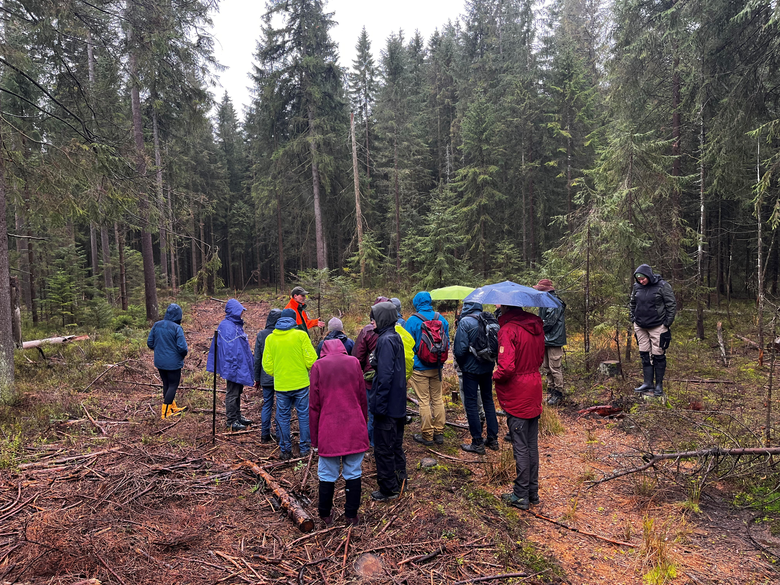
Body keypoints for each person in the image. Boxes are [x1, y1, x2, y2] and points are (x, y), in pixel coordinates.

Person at [310, 339, 369, 526]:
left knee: (327, 473)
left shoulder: (318, 366)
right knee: (353, 472)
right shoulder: (354, 362)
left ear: (323, 350)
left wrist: (314, 439)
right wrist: (363, 423)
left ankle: (325, 514)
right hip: (353, 425)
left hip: (329, 428)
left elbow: (314, 405)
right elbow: (362, 397)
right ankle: (351, 515)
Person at [493, 305, 545, 510]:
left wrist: (494, 375)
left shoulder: (508, 330)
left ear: (505, 307)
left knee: (521, 445)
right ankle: (532, 492)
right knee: (531, 444)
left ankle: (521, 494)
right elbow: (540, 359)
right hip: (533, 386)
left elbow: (506, 368)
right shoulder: (536, 326)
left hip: (518, 391)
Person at [262, 308, 318, 459]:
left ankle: (285, 450)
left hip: (281, 385)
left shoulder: (270, 339)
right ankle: (305, 448)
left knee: (283, 417)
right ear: (295, 321)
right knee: (304, 415)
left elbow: (266, 365)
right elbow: (312, 359)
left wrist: (279, 373)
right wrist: (303, 369)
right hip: (301, 383)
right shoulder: (301, 335)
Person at [370, 301, 408, 501]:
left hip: (388, 405)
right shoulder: (394, 337)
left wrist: (379, 406)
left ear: (382, 319)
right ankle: (401, 481)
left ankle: (389, 488)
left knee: (384, 448)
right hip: (398, 403)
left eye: (374, 318)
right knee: (395, 445)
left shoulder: (386, 340)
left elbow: (385, 376)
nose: (372, 322)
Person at [405, 291, 450, 446]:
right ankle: (439, 432)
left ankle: (427, 435)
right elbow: (447, 343)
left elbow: (408, 346)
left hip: (419, 368)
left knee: (424, 401)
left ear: (416, 303)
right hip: (437, 366)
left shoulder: (412, 321)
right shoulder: (441, 319)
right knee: (437, 399)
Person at [453, 301, 499, 454]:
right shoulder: (489, 319)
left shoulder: (465, 322)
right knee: (488, 400)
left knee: (471, 403)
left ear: (467, 307)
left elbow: (459, 350)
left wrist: (463, 364)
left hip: (470, 370)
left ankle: (477, 442)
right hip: (488, 367)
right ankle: (493, 439)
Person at [207, 299, 255, 431]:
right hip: (233, 366)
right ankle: (231, 420)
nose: (242, 314)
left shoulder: (235, 325)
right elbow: (229, 350)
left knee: (238, 391)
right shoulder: (227, 326)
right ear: (234, 311)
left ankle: (237, 416)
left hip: (238, 364)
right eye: (240, 311)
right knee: (232, 392)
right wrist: (236, 366)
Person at [629, 264, 676, 398]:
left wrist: (667, 323)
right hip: (640, 326)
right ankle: (647, 383)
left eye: (643, 278)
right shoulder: (637, 287)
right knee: (644, 354)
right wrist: (633, 318)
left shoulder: (662, 286)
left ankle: (658, 385)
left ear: (648, 276)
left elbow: (671, 304)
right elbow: (632, 303)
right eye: (638, 279)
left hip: (658, 325)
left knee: (658, 354)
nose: (641, 281)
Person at [353, 296, 390, 446]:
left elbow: (357, 356)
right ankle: (385, 440)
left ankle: (372, 441)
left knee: (372, 411)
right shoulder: (397, 329)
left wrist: (361, 372)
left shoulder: (368, 331)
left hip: (371, 377)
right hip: (392, 376)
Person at [147, 303, 188, 419]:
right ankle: (165, 413)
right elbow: (182, 348)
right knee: (173, 385)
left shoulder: (157, 325)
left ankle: (172, 407)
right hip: (173, 363)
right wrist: (181, 355)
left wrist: (160, 350)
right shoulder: (177, 328)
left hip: (160, 362)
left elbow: (150, 343)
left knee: (166, 384)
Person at [533, 279, 567, 406]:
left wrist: (537, 328)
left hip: (554, 339)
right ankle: (551, 391)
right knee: (547, 367)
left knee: (555, 367)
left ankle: (559, 393)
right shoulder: (546, 301)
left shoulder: (554, 302)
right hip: (546, 338)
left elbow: (550, 321)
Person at [254, 309, 282, 443]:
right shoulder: (282, 334)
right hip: (280, 376)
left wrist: (257, 378)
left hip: (266, 376)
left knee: (267, 404)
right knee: (281, 405)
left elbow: (257, 358)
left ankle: (265, 434)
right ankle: (279, 432)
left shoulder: (261, 335)